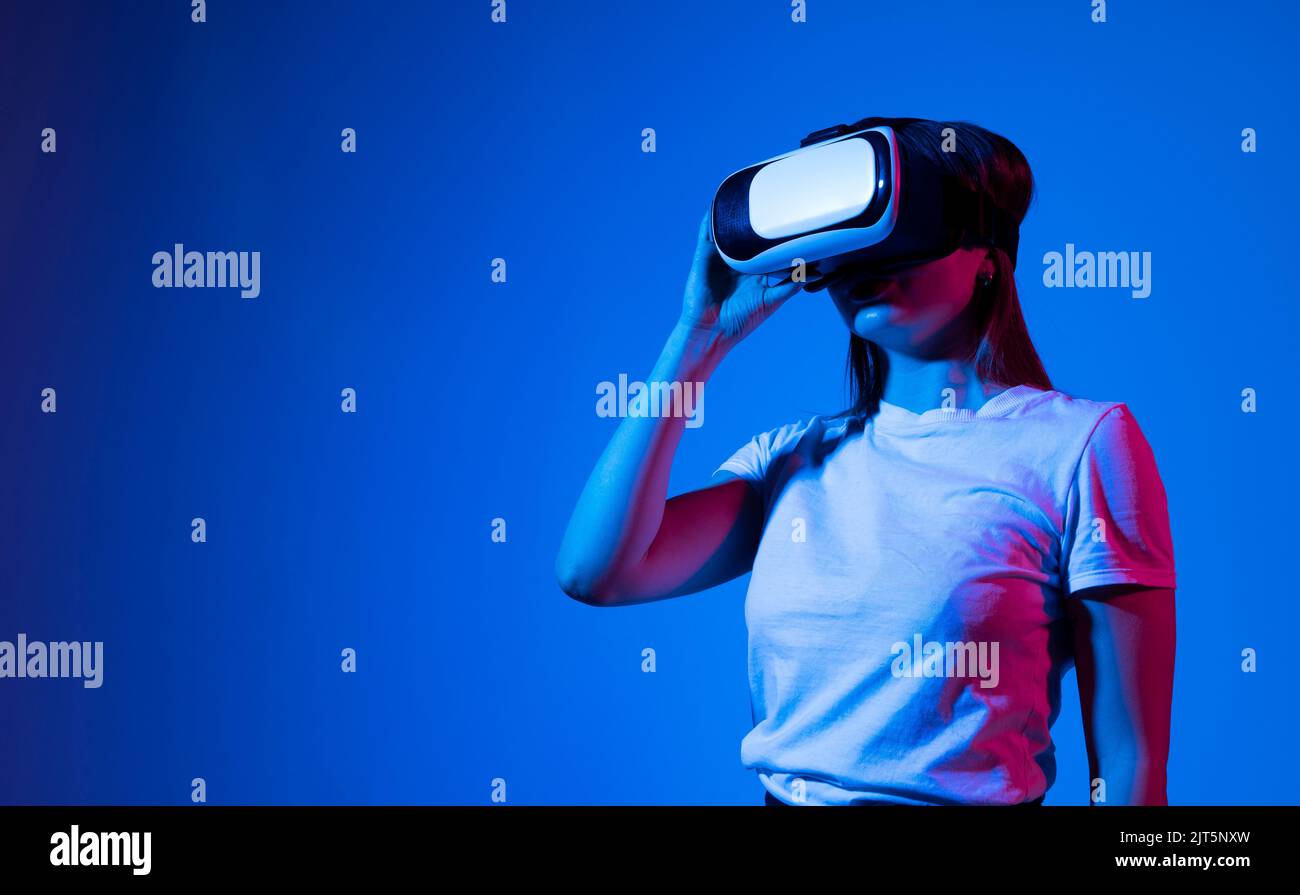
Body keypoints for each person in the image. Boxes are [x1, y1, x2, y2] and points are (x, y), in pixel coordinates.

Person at [555, 117, 1177, 806]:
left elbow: (1129, 766)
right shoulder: (792, 460)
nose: (867, 266)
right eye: (850, 247)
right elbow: (596, 571)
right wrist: (695, 337)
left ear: (988, 253)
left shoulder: (1082, 445)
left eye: (898, 234)